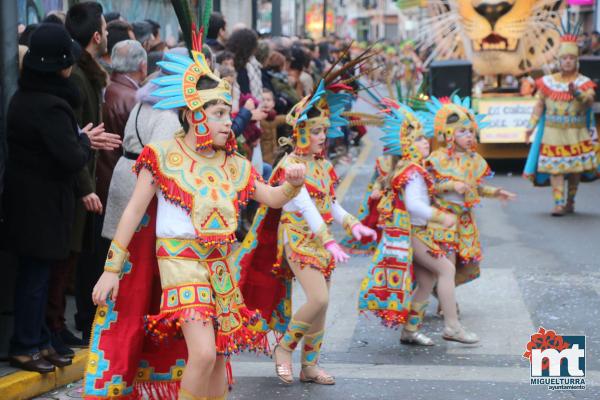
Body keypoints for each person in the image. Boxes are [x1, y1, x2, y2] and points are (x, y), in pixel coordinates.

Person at [84, 20, 307, 399]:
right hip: (179, 262)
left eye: (228, 112)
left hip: (221, 265)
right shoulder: (163, 156)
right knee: (202, 353)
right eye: (219, 113)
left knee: (220, 353)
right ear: (193, 114)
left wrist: (293, 183)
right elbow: (133, 212)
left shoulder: (232, 162)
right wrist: (111, 271)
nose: (227, 122)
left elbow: (270, 197)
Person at [237, 53, 378, 386]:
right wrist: (329, 239)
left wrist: (353, 225)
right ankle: (284, 348)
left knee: (321, 308)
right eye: (316, 131)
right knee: (319, 299)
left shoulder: (324, 166)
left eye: (324, 131)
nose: (322, 137)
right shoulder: (291, 167)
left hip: (321, 240)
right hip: (298, 239)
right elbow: (304, 207)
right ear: (301, 132)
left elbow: (330, 205)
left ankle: (310, 366)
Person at [3, 23, 118, 373]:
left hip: (32, 203)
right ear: (60, 65)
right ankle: (26, 345)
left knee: (38, 276)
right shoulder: (50, 106)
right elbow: (69, 156)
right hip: (41, 206)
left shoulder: (28, 98)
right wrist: (84, 140)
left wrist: (78, 138)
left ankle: (37, 340)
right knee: (36, 279)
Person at [358, 99, 479, 345]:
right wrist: (440, 216)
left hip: (414, 231)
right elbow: (414, 205)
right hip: (414, 232)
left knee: (426, 280)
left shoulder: (408, 168)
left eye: (425, 138)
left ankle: (410, 330)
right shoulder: (412, 172)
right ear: (407, 145)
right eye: (419, 139)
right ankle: (452, 327)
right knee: (446, 270)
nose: (426, 142)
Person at [423, 96, 516, 289]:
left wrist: (495, 192)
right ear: (448, 134)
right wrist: (451, 186)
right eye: (462, 131)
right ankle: (446, 304)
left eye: (471, 132)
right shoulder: (436, 159)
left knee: (460, 265)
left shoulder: (474, 159)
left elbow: (477, 188)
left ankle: (443, 297)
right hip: (442, 220)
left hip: (465, 221)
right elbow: (429, 187)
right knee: (446, 264)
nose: (469, 136)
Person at [101, 48, 186, 242]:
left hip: (126, 177)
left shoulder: (146, 103)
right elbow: (160, 166)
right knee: (131, 256)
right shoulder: (167, 117)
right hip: (139, 187)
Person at [65, 0, 110, 345]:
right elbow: (77, 136)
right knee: (75, 258)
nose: (106, 34)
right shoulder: (79, 76)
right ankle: (77, 322)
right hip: (77, 183)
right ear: (96, 35)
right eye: (105, 29)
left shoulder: (85, 72)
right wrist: (85, 185)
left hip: (84, 179)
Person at [524, 22, 597, 216]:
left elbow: (589, 100)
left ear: (576, 61)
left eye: (571, 58)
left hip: (576, 132)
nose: (567, 61)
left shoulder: (583, 83)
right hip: (552, 132)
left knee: (574, 170)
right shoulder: (548, 83)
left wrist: (578, 94)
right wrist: (530, 127)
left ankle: (570, 201)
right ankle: (558, 203)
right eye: (564, 58)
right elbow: (539, 105)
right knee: (555, 169)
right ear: (559, 60)